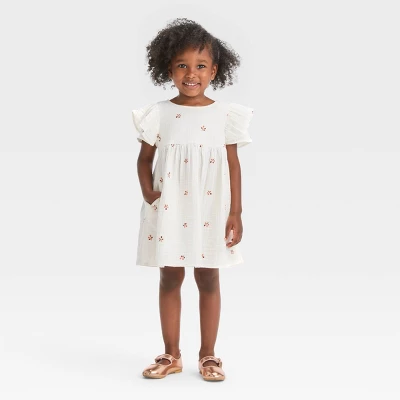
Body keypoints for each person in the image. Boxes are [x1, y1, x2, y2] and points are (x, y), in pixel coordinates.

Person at [131, 18, 254, 381]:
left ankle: (209, 355)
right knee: (170, 276)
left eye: (201, 66)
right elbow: (144, 160)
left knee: (208, 276)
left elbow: (233, 165)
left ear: (214, 70)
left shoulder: (225, 115)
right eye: (182, 65)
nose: (191, 74)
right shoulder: (159, 113)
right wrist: (148, 192)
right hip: (169, 208)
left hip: (210, 210)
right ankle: (171, 354)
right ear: (168, 68)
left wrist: (236, 212)